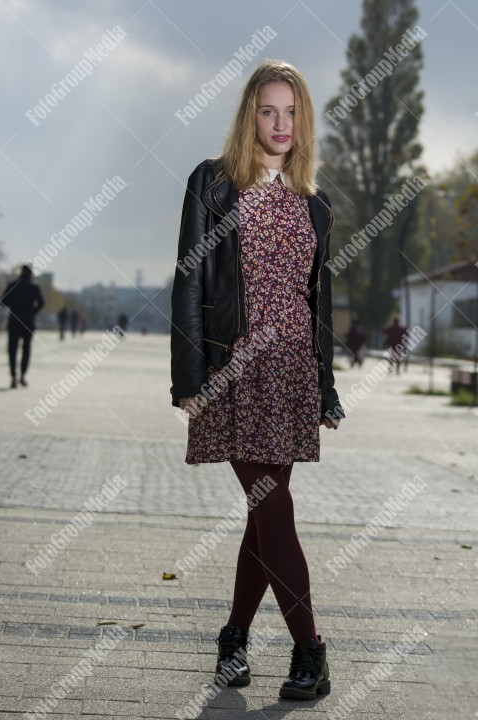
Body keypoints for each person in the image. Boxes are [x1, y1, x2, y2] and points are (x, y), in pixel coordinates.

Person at [170, 60, 345, 701]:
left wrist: (326, 388)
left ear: (304, 121)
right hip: (235, 373)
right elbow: (191, 279)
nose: (280, 124)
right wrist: (189, 376)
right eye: (268, 111)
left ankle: (234, 640)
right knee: (275, 509)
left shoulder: (316, 203)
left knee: (263, 515)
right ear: (249, 115)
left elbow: (316, 303)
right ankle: (311, 651)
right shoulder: (213, 183)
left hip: (292, 374)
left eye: (291, 112)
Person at [0, 264, 44, 388]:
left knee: (12, 349)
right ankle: (23, 376)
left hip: (14, 321)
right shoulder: (34, 286)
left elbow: (3, 301)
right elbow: (41, 303)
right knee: (26, 348)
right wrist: (32, 312)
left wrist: (14, 305)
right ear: (31, 273)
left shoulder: (13, 285)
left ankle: (13, 376)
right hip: (28, 322)